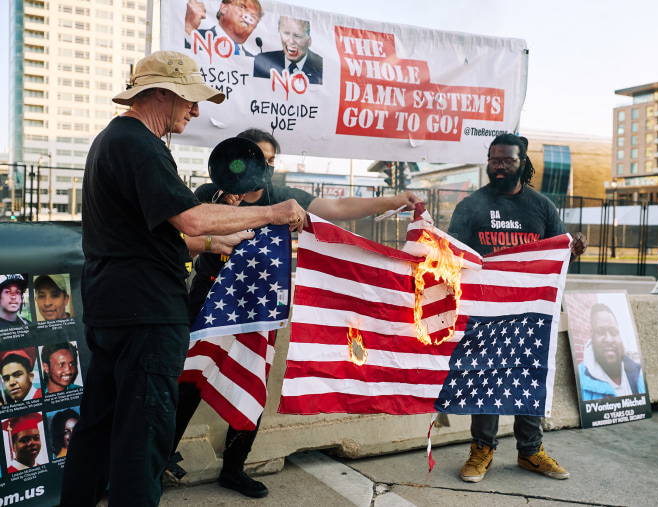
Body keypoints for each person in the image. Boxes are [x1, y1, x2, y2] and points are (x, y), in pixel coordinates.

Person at [59, 50, 307, 507]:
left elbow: (149, 234)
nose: (196, 110)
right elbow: (191, 219)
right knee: (143, 442)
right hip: (148, 317)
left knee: (97, 433)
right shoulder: (139, 144)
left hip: (114, 311)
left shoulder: (112, 141)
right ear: (162, 93)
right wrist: (274, 211)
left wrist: (216, 244)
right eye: (190, 99)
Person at [170, 128, 421, 498]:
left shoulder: (282, 197)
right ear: (237, 156)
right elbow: (181, 241)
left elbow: (335, 210)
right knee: (188, 382)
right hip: (208, 304)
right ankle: (158, 456)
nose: (264, 166)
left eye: (271, 160)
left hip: (259, 309)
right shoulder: (209, 194)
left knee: (252, 385)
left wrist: (393, 200)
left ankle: (234, 468)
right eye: (257, 157)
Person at [447, 133, 587, 483]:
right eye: (494, 159)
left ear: (522, 163)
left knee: (529, 375)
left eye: (507, 160)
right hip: (485, 314)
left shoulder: (541, 206)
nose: (499, 166)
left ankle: (530, 451)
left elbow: (558, 252)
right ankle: (481, 450)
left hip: (530, 314)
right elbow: (453, 255)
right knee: (486, 380)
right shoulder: (471, 206)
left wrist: (573, 248)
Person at [578, 303, 645, 401]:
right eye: (600, 332)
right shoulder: (580, 379)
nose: (609, 339)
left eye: (613, 332)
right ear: (591, 335)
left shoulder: (637, 374)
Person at [253, 16, 323, 84]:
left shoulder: (321, 67)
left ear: (309, 41)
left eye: (297, 36)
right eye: (286, 33)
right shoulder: (263, 61)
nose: (291, 41)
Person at [186, 0, 263, 56]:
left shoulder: (253, 62)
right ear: (224, 8)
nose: (247, 16)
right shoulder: (194, 38)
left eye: (254, 16)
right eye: (241, 7)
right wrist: (189, 27)